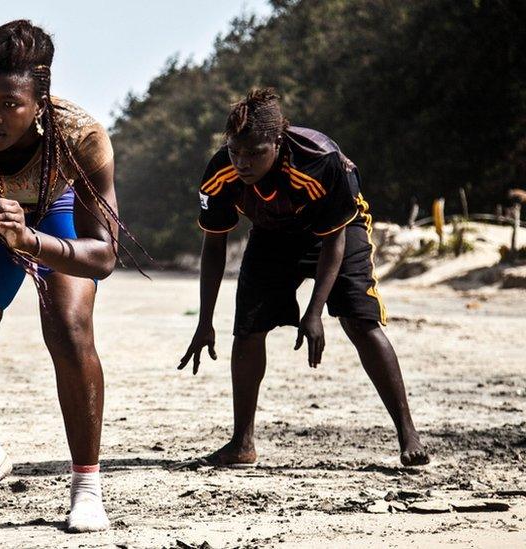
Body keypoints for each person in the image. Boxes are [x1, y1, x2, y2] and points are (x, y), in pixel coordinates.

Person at [0, 20, 139, 532]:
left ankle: (87, 486)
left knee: (68, 330)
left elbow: (104, 256)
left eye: (9, 103)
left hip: (56, 216)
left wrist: (31, 242)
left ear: (40, 102)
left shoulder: (80, 137)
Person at [179, 89, 430, 467]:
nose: (242, 163)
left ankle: (407, 432)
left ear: (277, 142)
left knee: (359, 320)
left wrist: (314, 312)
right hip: (272, 232)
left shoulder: (319, 161)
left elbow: (334, 242)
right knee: (247, 329)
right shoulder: (221, 172)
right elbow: (214, 246)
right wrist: (204, 321)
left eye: (254, 153)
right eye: (235, 151)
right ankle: (241, 443)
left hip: (337, 231)